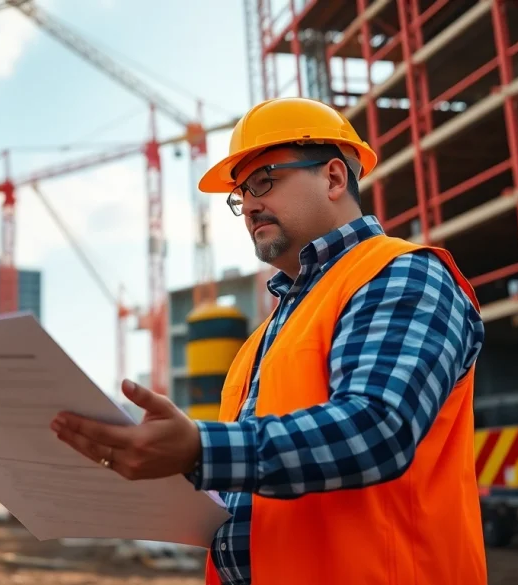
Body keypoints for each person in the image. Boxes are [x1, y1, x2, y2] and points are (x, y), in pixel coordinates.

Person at [49, 96, 487, 584]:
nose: (250, 205)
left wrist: (199, 450)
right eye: (241, 194)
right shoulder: (264, 338)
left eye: (265, 180)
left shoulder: (401, 274)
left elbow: (378, 428)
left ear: (335, 178)